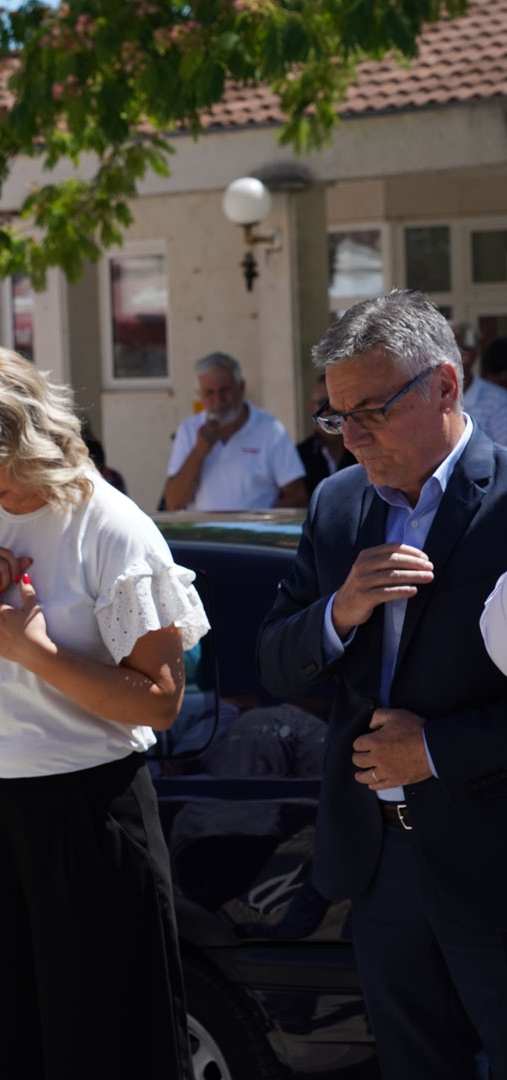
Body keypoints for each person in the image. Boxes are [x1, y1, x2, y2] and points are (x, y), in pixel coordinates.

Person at [0, 346, 207, 1079]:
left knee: (107, 1047)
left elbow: (161, 701)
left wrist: (37, 652)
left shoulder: (110, 527)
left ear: (27, 434)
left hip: (90, 813)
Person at [258, 290, 507, 1077]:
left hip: (492, 856)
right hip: (378, 862)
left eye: (371, 411)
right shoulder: (337, 504)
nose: (353, 439)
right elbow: (274, 661)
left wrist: (433, 751)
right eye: (338, 418)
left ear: (445, 386)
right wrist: (340, 610)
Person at [162, 352, 307, 511]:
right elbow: (174, 503)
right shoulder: (188, 430)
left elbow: (298, 496)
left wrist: (260, 522)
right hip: (203, 528)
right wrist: (199, 451)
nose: (218, 400)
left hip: (257, 527)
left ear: (242, 387)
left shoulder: (270, 429)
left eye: (224, 391)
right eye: (209, 393)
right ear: (200, 395)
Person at [298, 376, 355, 496]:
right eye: (324, 403)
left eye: (337, 403)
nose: (332, 410)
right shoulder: (299, 455)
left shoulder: (362, 445)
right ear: (312, 409)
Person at [455, 321, 507, 444]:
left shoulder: (497, 400)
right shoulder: (430, 395)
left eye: (462, 349)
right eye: (449, 349)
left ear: (475, 352)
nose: (456, 355)